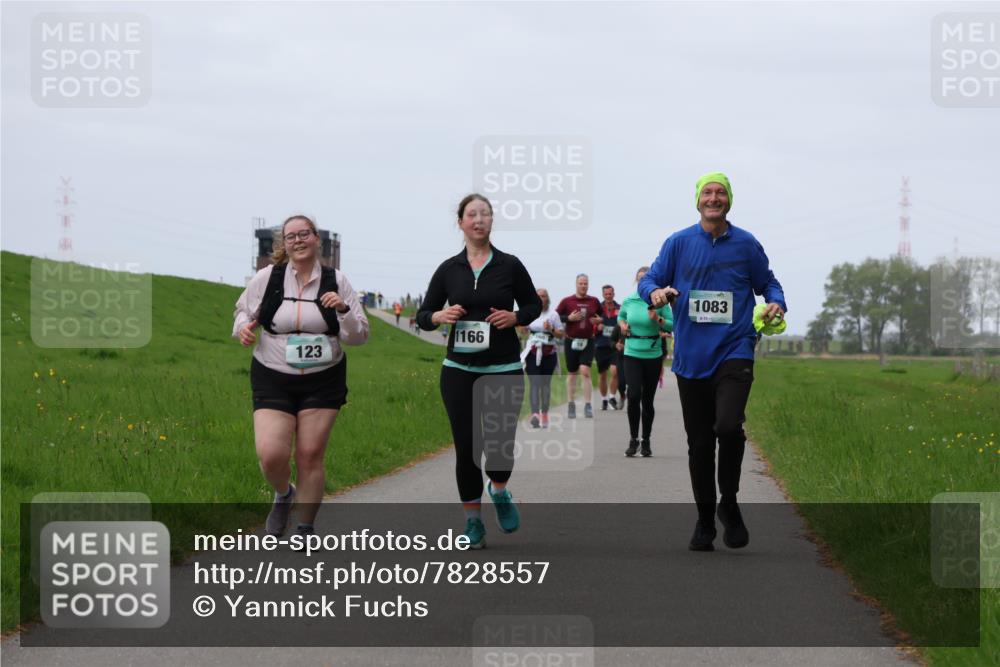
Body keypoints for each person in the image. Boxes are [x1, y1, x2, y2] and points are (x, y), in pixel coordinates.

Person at [640, 172, 786, 552]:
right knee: (700, 443)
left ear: (729, 200)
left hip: (735, 348)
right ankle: (705, 520)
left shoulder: (746, 244)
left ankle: (730, 502)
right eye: (708, 192)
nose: (714, 198)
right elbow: (649, 280)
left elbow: (769, 283)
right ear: (698, 200)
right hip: (692, 356)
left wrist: (776, 302)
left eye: (721, 192)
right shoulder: (679, 242)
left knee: (728, 426)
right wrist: (655, 292)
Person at [417, 194, 542, 549]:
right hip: (459, 370)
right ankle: (473, 521)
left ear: (491, 221)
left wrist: (515, 317)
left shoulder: (510, 265)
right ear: (460, 222)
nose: (478, 219)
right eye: (471, 214)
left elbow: (532, 304)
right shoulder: (449, 269)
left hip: (503, 367)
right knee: (467, 448)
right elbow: (424, 315)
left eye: (484, 214)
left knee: (500, 449)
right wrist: (439, 316)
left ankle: (499, 490)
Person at [233, 214, 369, 540]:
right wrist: (242, 329)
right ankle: (284, 493)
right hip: (273, 373)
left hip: (324, 376)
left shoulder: (337, 280)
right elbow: (243, 311)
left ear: (316, 239)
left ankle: (305, 528)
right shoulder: (268, 277)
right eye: (291, 236)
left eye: (304, 234)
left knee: (309, 454)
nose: (298, 240)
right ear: (284, 243)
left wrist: (343, 311)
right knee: (271, 455)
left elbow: (359, 336)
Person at [618, 266, 673, 458]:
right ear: (636, 281)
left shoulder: (660, 302)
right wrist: (622, 325)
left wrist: (658, 319)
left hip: (652, 354)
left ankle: (646, 440)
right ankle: (633, 439)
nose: (643, 282)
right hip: (632, 352)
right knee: (633, 395)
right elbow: (621, 316)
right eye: (640, 279)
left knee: (647, 400)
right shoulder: (629, 300)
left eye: (646, 278)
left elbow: (672, 324)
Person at [555, 275, 602, 419]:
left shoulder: (594, 301)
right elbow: (555, 317)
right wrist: (568, 318)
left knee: (585, 371)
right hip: (571, 341)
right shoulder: (567, 301)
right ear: (576, 284)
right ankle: (571, 404)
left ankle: (588, 405)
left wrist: (599, 320)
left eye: (585, 283)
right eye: (581, 283)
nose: (583, 286)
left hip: (588, 341)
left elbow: (602, 317)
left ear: (588, 285)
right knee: (572, 374)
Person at [519, 288, 564, 429]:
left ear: (547, 298)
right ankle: (535, 414)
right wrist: (523, 327)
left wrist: (551, 329)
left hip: (549, 353)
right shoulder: (530, 312)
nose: (541, 298)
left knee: (545, 385)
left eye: (544, 296)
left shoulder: (553, 314)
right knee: (535, 383)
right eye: (538, 296)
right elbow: (522, 330)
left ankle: (544, 413)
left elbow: (561, 334)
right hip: (532, 352)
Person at [594, 284, 621, 410]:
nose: (608, 296)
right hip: (601, 345)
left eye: (610, 294)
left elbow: (624, 323)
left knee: (615, 371)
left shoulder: (620, 308)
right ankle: (604, 399)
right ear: (603, 295)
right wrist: (597, 327)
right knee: (602, 374)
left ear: (613, 294)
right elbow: (590, 324)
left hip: (615, 345)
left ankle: (612, 397)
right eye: (606, 294)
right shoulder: (597, 309)